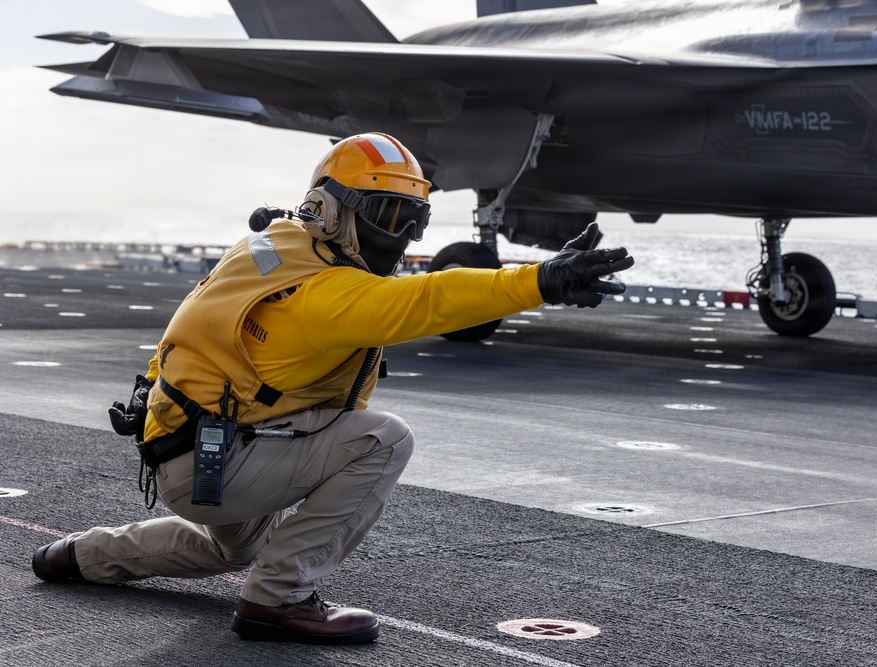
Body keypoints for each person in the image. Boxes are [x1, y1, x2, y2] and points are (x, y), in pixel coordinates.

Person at [30, 132, 634, 645]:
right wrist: (540, 281)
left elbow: (224, 291)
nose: (400, 236)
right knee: (383, 440)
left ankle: (81, 555)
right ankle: (278, 599)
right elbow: (431, 298)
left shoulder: (271, 245)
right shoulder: (324, 295)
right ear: (332, 210)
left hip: (190, 447)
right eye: (387, 216)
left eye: (414, 220)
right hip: (220, 458)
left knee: (231, 551)